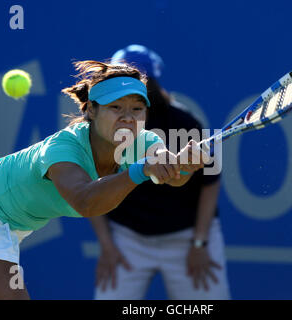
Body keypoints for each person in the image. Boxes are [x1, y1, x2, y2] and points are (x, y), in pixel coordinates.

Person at [0, 60, 204, 300]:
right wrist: (140, 170)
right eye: (116, 107)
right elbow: (86, 201)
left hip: (10, 223)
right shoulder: (63, 148)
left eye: (137, 109)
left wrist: (183, 166)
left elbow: (171, 174)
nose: (128, 118)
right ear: (91, 110)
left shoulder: (145, 141)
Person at [90, 45, 230, 300]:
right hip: (127, 238)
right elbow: (91, 186)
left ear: (151, 81)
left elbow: (210, 185)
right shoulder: (103, 127)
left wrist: (199, 243)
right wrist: (107, 244)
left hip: (187, 237)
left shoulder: (186, 123)